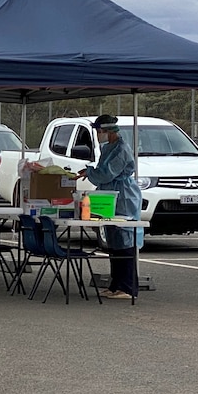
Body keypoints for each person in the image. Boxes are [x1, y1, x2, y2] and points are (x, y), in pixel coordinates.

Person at [76, 114, 143, 300]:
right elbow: (101, 172)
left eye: (99, 131)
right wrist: (88, 171)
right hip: (109, 195)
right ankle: (115, 285)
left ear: (108, 131)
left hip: (124, 196)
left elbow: (107, 174)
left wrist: (91, 172)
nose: (98, 135)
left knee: (125, 242)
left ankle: (128, 287)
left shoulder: (121, 149)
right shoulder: (107, 148)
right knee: (113, 243)